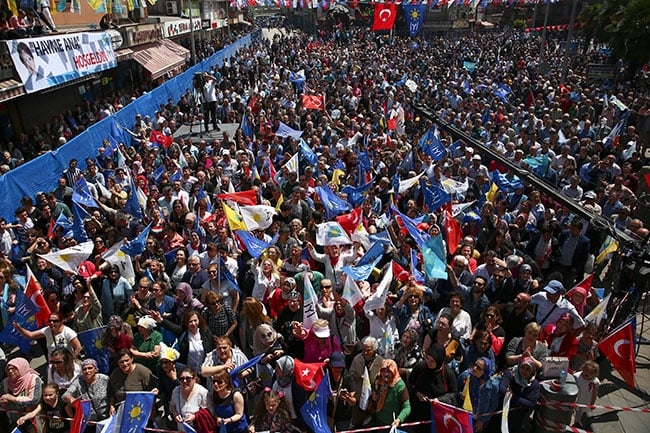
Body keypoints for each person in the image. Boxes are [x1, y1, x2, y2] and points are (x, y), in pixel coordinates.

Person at [407, 344, 457, 433]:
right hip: (419, 412)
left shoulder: (448, 374)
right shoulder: (421, 367)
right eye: (427, 359)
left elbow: (453, 394)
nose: (429, 363)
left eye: (432, 361)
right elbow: (411, 383)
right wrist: (417, 393)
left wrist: (439, 400)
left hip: (438, 414)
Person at [497, 356, 541, 433]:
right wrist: (520, 400)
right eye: (522, 367)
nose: (524, 371)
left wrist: (512, 396)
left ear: (532, 371)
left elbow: (531, 403)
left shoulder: (534, 384)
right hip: (502, 410)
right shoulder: (511, 373)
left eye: (527, 369)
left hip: (519, 416)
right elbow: (502, 388)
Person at [107, 349, 158, 414]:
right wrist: (112, 406)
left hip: (141, 410)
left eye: (127, 360)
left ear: (132, 359)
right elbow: (111, 393)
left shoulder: (143, 372)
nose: (125, 364)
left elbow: (152, 393)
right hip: (121, 411)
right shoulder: (115, 374)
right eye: (121, 362)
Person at [0, 357, 43, 433]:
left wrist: (13, 399)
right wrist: (2, 403)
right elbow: (2, 401)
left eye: (14, 368)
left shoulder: (33, 379)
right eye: (8, 369)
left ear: (22, 368)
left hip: (33, 420)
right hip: (14, 422)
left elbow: (34, 400)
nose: (10, 371)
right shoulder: (5, 383)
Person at [457, 357, 499, 433]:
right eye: (475, 365)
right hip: (465, 415)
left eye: (479, 368)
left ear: (485, 372)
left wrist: (482, 421)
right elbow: (457, 390)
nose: (474, 368)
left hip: (481, 419)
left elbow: (493, 404)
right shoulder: (466, 376)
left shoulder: (493, 385)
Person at [13, 312, 82, 358]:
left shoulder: (68, 332)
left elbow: (78, 347)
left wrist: (71, 360)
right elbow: (30, 335)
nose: (52, 323)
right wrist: (18, 328)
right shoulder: (47, 330)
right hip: (53, 365)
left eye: (55, 321)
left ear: (61, 321)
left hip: (67, 365)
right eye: (50, 321)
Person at [62, 358, 110, 423]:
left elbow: (111, 395)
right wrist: (72, 400)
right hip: (89, 422)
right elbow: (65, 395)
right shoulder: (78, 381)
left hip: (106, 419)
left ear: (95, 369)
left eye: (90, 368)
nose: (87, 371)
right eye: (84, 369)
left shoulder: (104, 379)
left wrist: (112, 405)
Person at [369, 359, 410, 429]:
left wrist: (399, 419)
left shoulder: (399, 386)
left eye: (389, 371)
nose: (385, 374)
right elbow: (373, 391)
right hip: (379, 420)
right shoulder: (378, 380)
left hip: (394, 423)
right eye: (383, 371)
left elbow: (407, 407)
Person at [169, 367, 209, 432]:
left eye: (188, 378)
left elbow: (210, 412)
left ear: (194, 379)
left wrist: (195, 417)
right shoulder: (176, 391)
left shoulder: (203, 392)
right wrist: (175, 414)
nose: (184, 381)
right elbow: (172, 406)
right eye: (182, 379)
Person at [573, 360, 600, 428]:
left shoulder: (595, 382)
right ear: (583, 369)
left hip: (585, 400)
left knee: (580, 414)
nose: (587, 373)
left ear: (595, 374)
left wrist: (592, 403)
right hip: (576, 398)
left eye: (591, 372)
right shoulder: (577, 376)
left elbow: (595, 393)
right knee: (572, 411)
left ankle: (576, 425)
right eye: (586, 370)